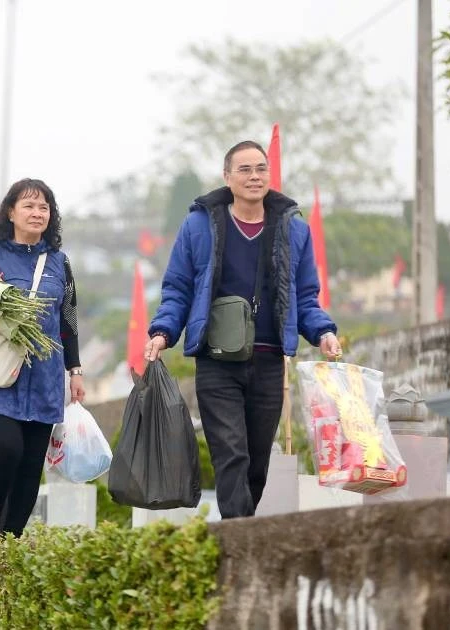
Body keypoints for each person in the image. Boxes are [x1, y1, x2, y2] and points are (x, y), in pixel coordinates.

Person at [144, 140, 342, 519]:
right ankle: (239, 537)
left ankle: (239, 530)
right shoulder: (200, 225)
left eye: (261, 169)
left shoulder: (293, 230)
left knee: (256, 464)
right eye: (245, 169)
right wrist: (163, 332)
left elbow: (305, 295)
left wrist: (323, 333)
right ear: (227, 176)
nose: (254, 177)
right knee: (230, 452)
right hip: (217, 360)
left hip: (268, 361)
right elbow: (178, 288)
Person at [0, 178, 85, 539]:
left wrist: (75, 370)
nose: (37, 213)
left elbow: (67, 320)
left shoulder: (60, 263)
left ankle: (10, 540)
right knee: (7, 447)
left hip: (44, 376)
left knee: (30, 465)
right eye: (29, 206)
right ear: (10, 212)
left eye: (44, 207)